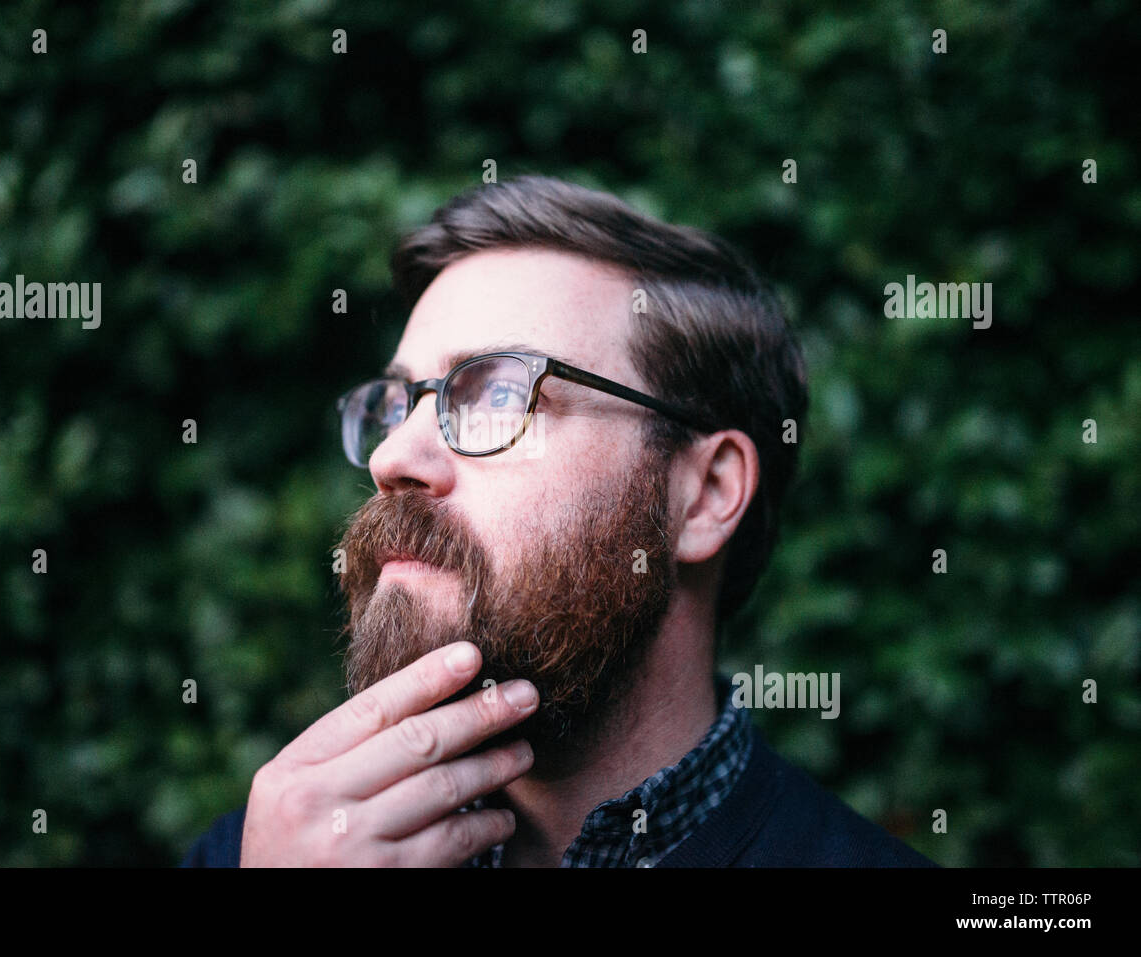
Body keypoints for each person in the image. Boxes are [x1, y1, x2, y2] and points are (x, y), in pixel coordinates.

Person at [181, 175, 934, 868]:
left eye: (498, 394)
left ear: (705, 494)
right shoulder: (260, 852)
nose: (392, 457)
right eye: (398, 402)